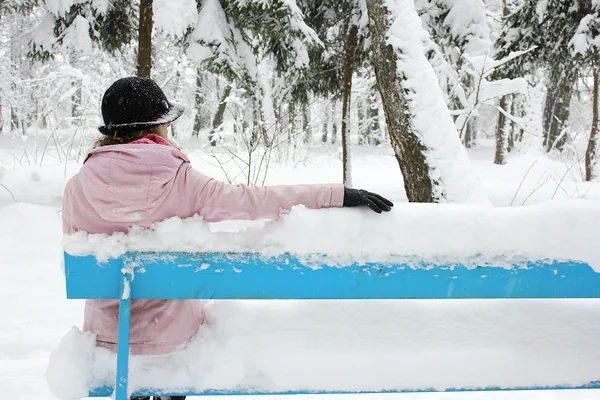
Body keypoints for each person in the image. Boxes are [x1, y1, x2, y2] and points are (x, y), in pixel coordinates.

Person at [62, 77, 393, 400]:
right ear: (155, 128)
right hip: (173, 341)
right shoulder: (182, 180)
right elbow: (254, 200)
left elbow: (79, 254)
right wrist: (336, 194)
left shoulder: (77, 187)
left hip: (109, 341)